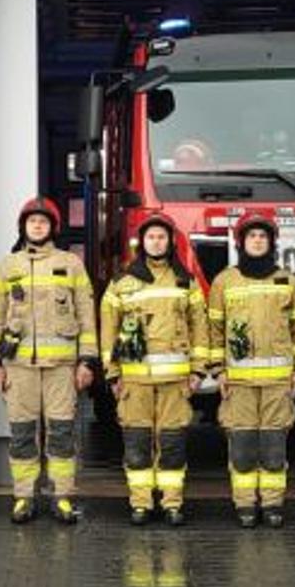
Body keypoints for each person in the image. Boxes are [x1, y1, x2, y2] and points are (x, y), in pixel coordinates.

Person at [0, 196, 98, 524]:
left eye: (43, 222)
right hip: (18, 368)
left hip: (62, 368)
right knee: (22, 434)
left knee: (62, 433)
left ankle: (62, 496)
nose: (37, 226)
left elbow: (86, 316)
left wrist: (87, 361)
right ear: (23, 227)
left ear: (53, 227)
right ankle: (23, 497)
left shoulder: (71, 264)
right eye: (32, 222)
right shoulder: (9, 266)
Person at [99, 213, 209, 526]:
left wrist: (198, 371)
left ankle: (172, 504)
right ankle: (141, 504)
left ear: (170, 241)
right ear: (141, 242)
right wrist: (112, 373)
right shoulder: (121, 283)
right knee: (136, 444)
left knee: (172, 444)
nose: (156, 242)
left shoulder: (185, 281)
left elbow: (199, 327)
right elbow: (108, 331)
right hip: (134, 382)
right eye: (150, 237)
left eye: (161, 237)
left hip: (176, 381)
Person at [206, 213, 295, 528]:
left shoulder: (287, 281)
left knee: (273, 447)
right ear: (241, 243)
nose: (257, 241)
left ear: (271, 243)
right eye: (251, 236)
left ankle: (273, 506)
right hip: (237, 384)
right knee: (241, 447)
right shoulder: (224, 281)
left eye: (263, 237)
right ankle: (245, 506)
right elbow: (214, 330)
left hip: (278, 383)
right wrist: (218, 370)